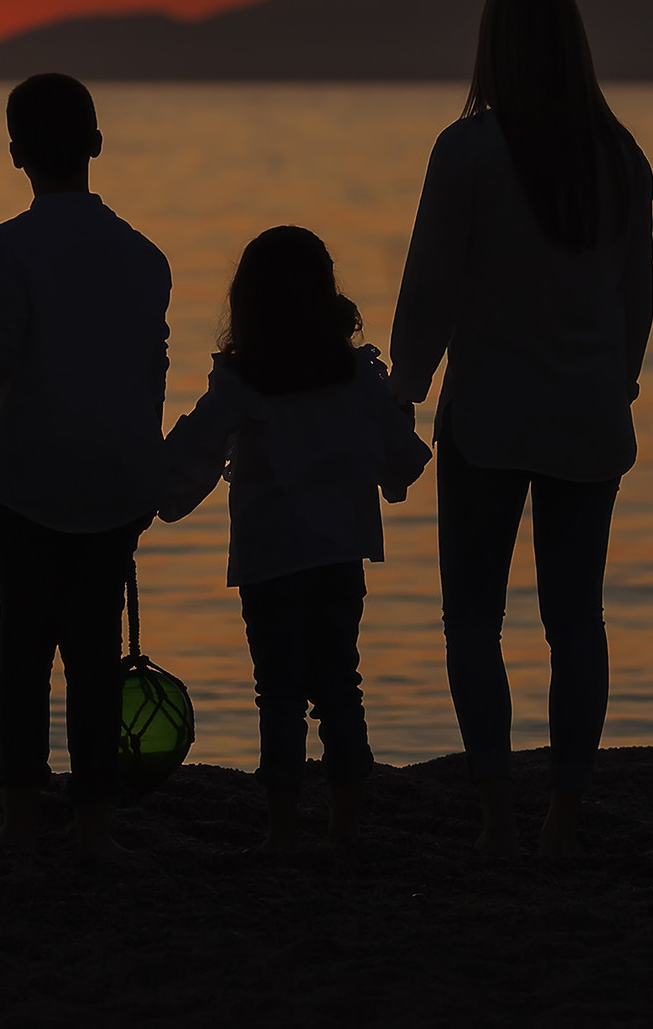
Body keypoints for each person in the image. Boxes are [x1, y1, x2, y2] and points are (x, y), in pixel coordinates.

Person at [387, 0, 653, 858]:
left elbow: (429, 286)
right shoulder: (620, 156)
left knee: (473, 618)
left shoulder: (467, 152)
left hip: (490, 415)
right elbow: (635, 302)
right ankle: (565, 813)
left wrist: (405, 388)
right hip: (585, 414)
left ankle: (499, 812)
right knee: (577, 619)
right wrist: (619, 386)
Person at [0, 74, 172, 867]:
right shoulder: (146, 259)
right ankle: (96, 826)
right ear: (96, 145)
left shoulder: (10, 247)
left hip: (31, 479)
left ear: (15, 156)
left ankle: (23, 820)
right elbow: (151, 373)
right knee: (94, 651)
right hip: (115, 477)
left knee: (24, 648)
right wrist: (148, 468)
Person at [161, 226, 430, 849]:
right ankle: (344, 823)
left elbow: (191, 457)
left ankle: (281, 828)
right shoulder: (355, 375)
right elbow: (399, 461)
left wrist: (149, 490)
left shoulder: (242, 381)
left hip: (270, 558)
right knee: (340, 682)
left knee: (278, 692)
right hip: (339, 552)